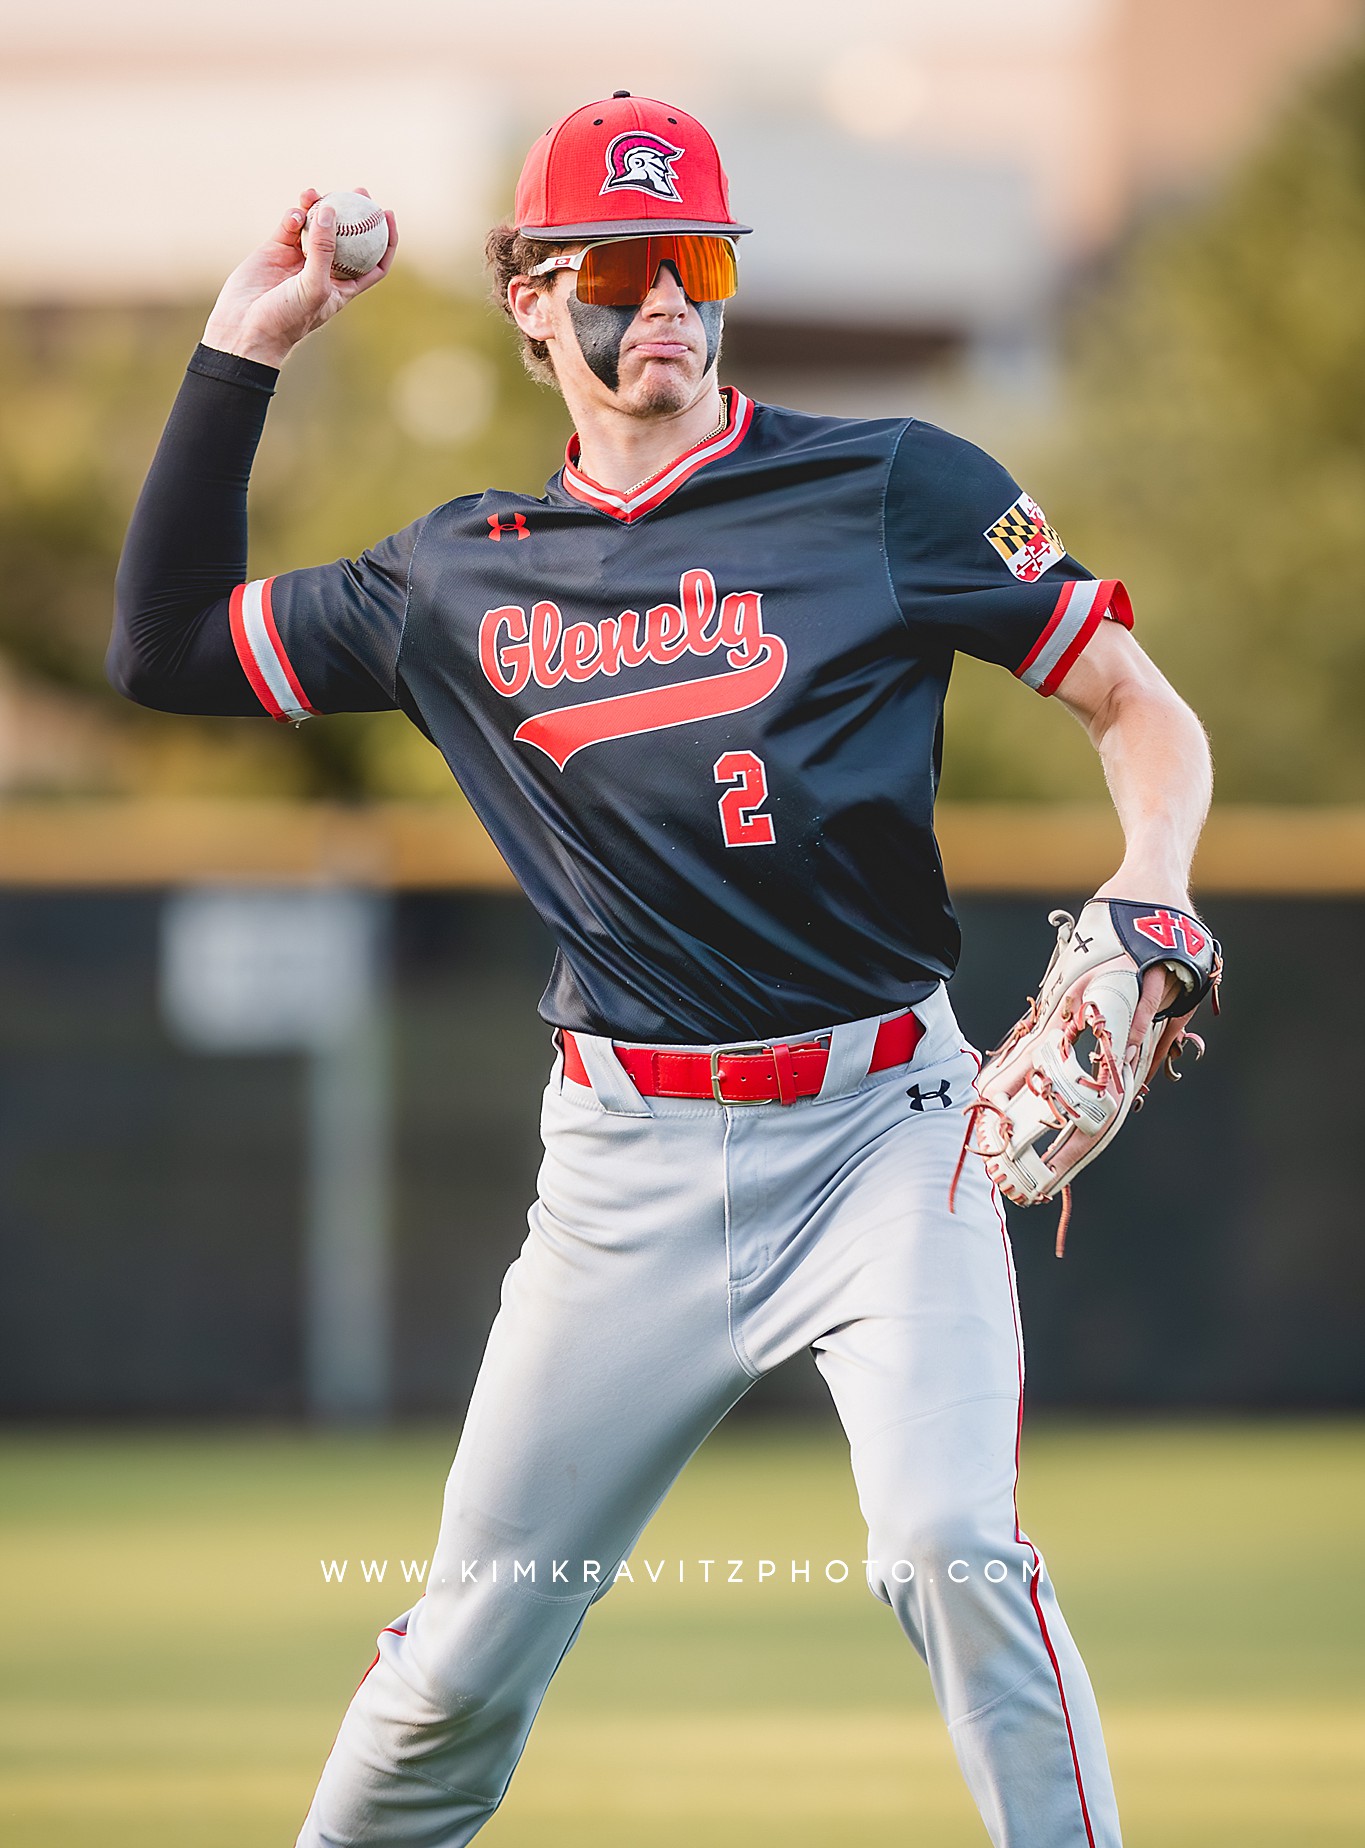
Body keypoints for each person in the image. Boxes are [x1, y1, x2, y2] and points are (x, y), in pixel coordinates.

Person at [111, 92, 1211, 1848]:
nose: (670, 300)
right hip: (623, 1171)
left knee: (951, 1546)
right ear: (535, 299)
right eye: (621, 268)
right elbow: (162, 649)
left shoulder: (892, 487)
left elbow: (1135, 712)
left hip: (883, 1133)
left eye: (694, 257)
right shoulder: (453, 577)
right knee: (460, 1661)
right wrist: (247, 347)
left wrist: (1152, 888)